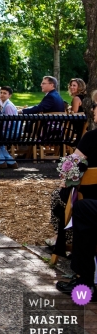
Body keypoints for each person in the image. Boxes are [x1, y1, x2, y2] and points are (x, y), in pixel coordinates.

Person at [55, 90, 97, 299]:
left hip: (90, 200)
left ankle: (85, 278)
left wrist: (65, 181)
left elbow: (69, 167)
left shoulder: (92, 138)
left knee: (77, 206)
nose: (94, 111)